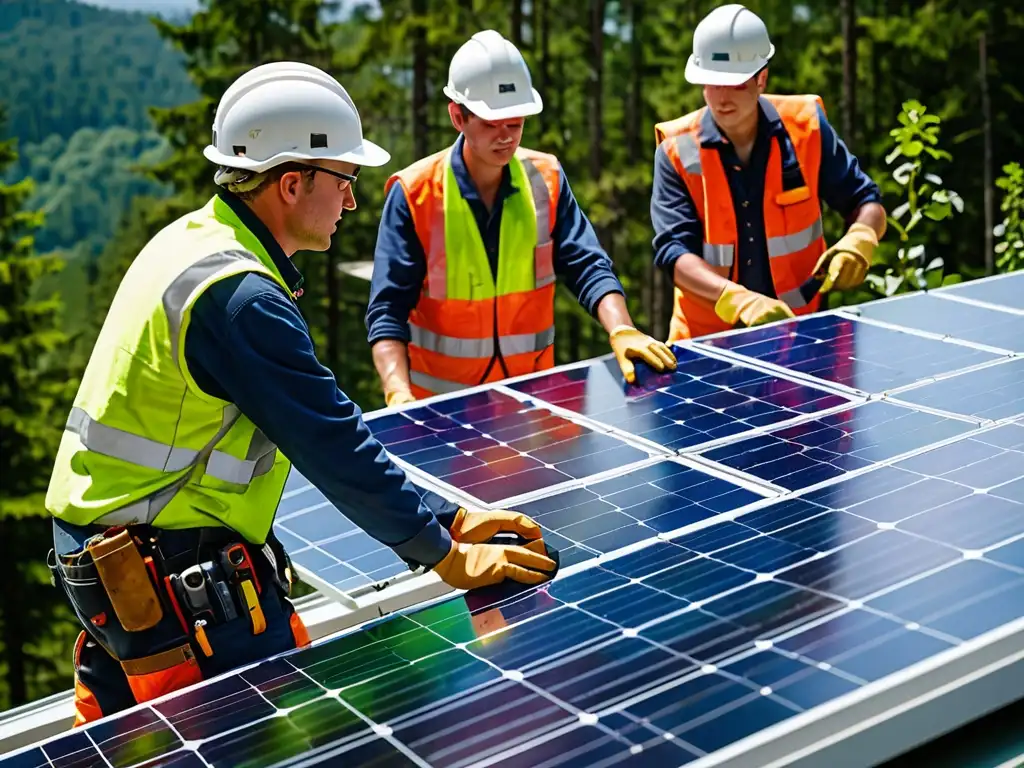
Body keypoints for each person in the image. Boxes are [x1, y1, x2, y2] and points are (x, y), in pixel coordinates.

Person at [43, 61, 556, 727]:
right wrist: (445, 554)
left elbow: (314, 436)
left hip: (113, 562)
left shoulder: (194, 245)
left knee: (131, 742)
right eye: (343, 182)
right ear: (292, 183)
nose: (350, 203)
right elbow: (331, 443)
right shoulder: (239, 299)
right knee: (270, 738)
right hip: (167, 575)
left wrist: (449, 517)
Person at [366, 30, 677, 406]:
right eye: (491, 124)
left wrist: (622, 328)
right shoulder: (415, 195)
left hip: (532, 407)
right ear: (457, 116)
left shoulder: (546, 180)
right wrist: (397, 390)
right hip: (444, 415)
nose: (505, 137)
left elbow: (588, 266)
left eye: (515, 124)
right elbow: (387, 310)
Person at [651, 3, 887, 342]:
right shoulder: (676, 150)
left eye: (734, 83)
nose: (720, 97)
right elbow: (673, 253)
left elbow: (865, 200)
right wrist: (737, 301)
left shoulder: (806, 128)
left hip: (802, 334)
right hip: (709, 342)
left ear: (762, 77)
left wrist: (861, 237)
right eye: (711, 82)